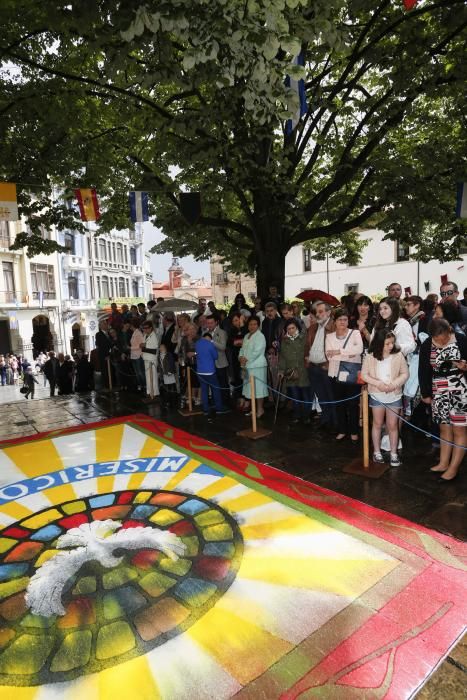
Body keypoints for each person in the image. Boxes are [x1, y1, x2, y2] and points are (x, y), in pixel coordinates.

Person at [419, 318, 467, 481]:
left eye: (445, 338)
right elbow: (423, 370)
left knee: (459, 429)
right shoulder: (427, 344)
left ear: (449, 331)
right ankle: (444, 463)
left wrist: (464, 366)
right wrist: (425, 393)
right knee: (444, 428)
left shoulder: (461, 339)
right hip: (438, 389)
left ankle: (453, 468)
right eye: (438, 339)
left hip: (459, 389)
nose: (442, 341)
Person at [361, 329, 409, 467]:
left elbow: (405, 373)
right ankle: (376, 452)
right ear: (379, 343)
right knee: (377, 423)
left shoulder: (398, 355)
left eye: (392, 343)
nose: (391, 346)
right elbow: (364, 375)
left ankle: (394, 453)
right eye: (387, 343)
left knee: (392, 425)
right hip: (377, 394)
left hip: (394, 395)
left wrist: (394, 384)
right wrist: (379, 384)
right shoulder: (370, 356)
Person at [326, 308, 363, 442]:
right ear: (334, 321)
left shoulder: (355, 333)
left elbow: (359, 350)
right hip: (335, 374)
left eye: (345, 319)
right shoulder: (329, 337)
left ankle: (354, 431)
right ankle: (342, 430)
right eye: (340, 319)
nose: (342, 322)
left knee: (353, 404)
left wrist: (338, 352)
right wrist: (348, 353)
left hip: (352, 374)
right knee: (339, 404)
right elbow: (329, 356)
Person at [304, 301, 336, 430]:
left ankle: (335, 423)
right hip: (313, 367)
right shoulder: (313, 327)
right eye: (316, 312)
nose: (318, 314)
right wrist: (306, 358)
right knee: (321, 396)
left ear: (328, 312)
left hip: (326, 367)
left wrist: (329, 363)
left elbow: (338, 347)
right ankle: (326, 419)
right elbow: (307, 345)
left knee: (331, 396)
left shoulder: (334, 326)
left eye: (321, 311)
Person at [278, 320, 310, 424]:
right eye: (289, 329)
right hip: (290, 372)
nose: (291, 330)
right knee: (295, 395)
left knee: (305, 395)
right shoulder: (284, 341)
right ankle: (297, 415)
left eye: (293, 328)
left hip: (303, 371)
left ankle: (306, 416)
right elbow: (282, 357)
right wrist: (281, 370)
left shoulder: (304, 338)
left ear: (297, 328)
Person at [239, 316, 268, 418]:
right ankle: (253, 409)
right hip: (247, 366)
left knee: (258, 389)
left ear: (258, 325)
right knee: (250, 389)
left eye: (255, 324)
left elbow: (258, 351)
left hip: (257, 366)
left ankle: (260, 409)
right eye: (250, 324)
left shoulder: (260, 336)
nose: (252, 326)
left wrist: (246, 358)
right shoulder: (246, 335)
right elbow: (242, 349)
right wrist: (241, 357)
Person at [194, 333, 229, 417]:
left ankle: (205, 409)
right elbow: (215, 356)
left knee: (204, 390)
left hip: (200, 371)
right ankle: (219, 408)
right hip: (209, 371)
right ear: (209, 338)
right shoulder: (210, 344)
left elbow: (196, 353)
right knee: (215, 389)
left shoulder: (197, 343)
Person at [205, 314, 229, 404]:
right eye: (208, 323)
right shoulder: (205, 333)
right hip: (209, 363)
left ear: (216, 322)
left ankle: (225, 402)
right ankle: (216, 401)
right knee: (213, 384)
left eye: (211, 323)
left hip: (221, 362)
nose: (209, 325)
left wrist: (211, 341)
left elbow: (223, 347)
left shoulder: (222, 332)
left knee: (223, 383)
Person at [227, 312, 247, 407]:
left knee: (246, 378)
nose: (236, 322)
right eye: (234, 321)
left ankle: (246, 399)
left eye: (237, 320)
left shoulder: (246, 328)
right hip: (236, 357)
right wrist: (240, 341)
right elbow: (232, 343)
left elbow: (246, 341)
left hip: (246, 358)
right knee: (238, 377)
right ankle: (240, 399)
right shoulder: (231, 331)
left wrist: (243, 325)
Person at [140, 320, 159, 400]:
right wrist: (143, 346)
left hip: (151, 360)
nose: (145, 330)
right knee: (148, 377)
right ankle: (149, 392)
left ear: (151, 328)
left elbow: (155, 348)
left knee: (153, 377)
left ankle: (154, 393)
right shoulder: (145, 335)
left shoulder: (154, 336)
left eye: (146, 328)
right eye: (143, 328)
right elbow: (143, 347)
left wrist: (144, 346)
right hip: (146, 358)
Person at [158, 343, 178, 409]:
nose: (161, 348)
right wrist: (159, 373)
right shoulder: (159, 356)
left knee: (172, 387)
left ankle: (173, 401)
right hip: (164, 374)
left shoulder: (169, 355)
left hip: (169, 373)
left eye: (162, 347)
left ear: (165, 348)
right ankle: (168, 401)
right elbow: (160, 366)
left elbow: (172, 363)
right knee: (166, 389)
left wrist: (170, 371)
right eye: (160, 347)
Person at [129, 318, 146, 392]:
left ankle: (145, 386)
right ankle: (142, 386)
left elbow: (142, 345)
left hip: (138, 355)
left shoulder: (138, 333)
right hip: (134, 355)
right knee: (137, 373)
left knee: (140, 372)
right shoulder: (134, 332)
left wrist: (130, 348)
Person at [95, 320, 112, 388]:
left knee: (110, 371)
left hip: (110, 355)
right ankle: (106, 385)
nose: (106, 325)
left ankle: (111, 384)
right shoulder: (98, 334)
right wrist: (106, 355)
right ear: (100, 326)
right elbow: (101, 345)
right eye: (104, 324)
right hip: (104, 356)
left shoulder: (108, 333)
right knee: (105, 371)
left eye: (106, 324)